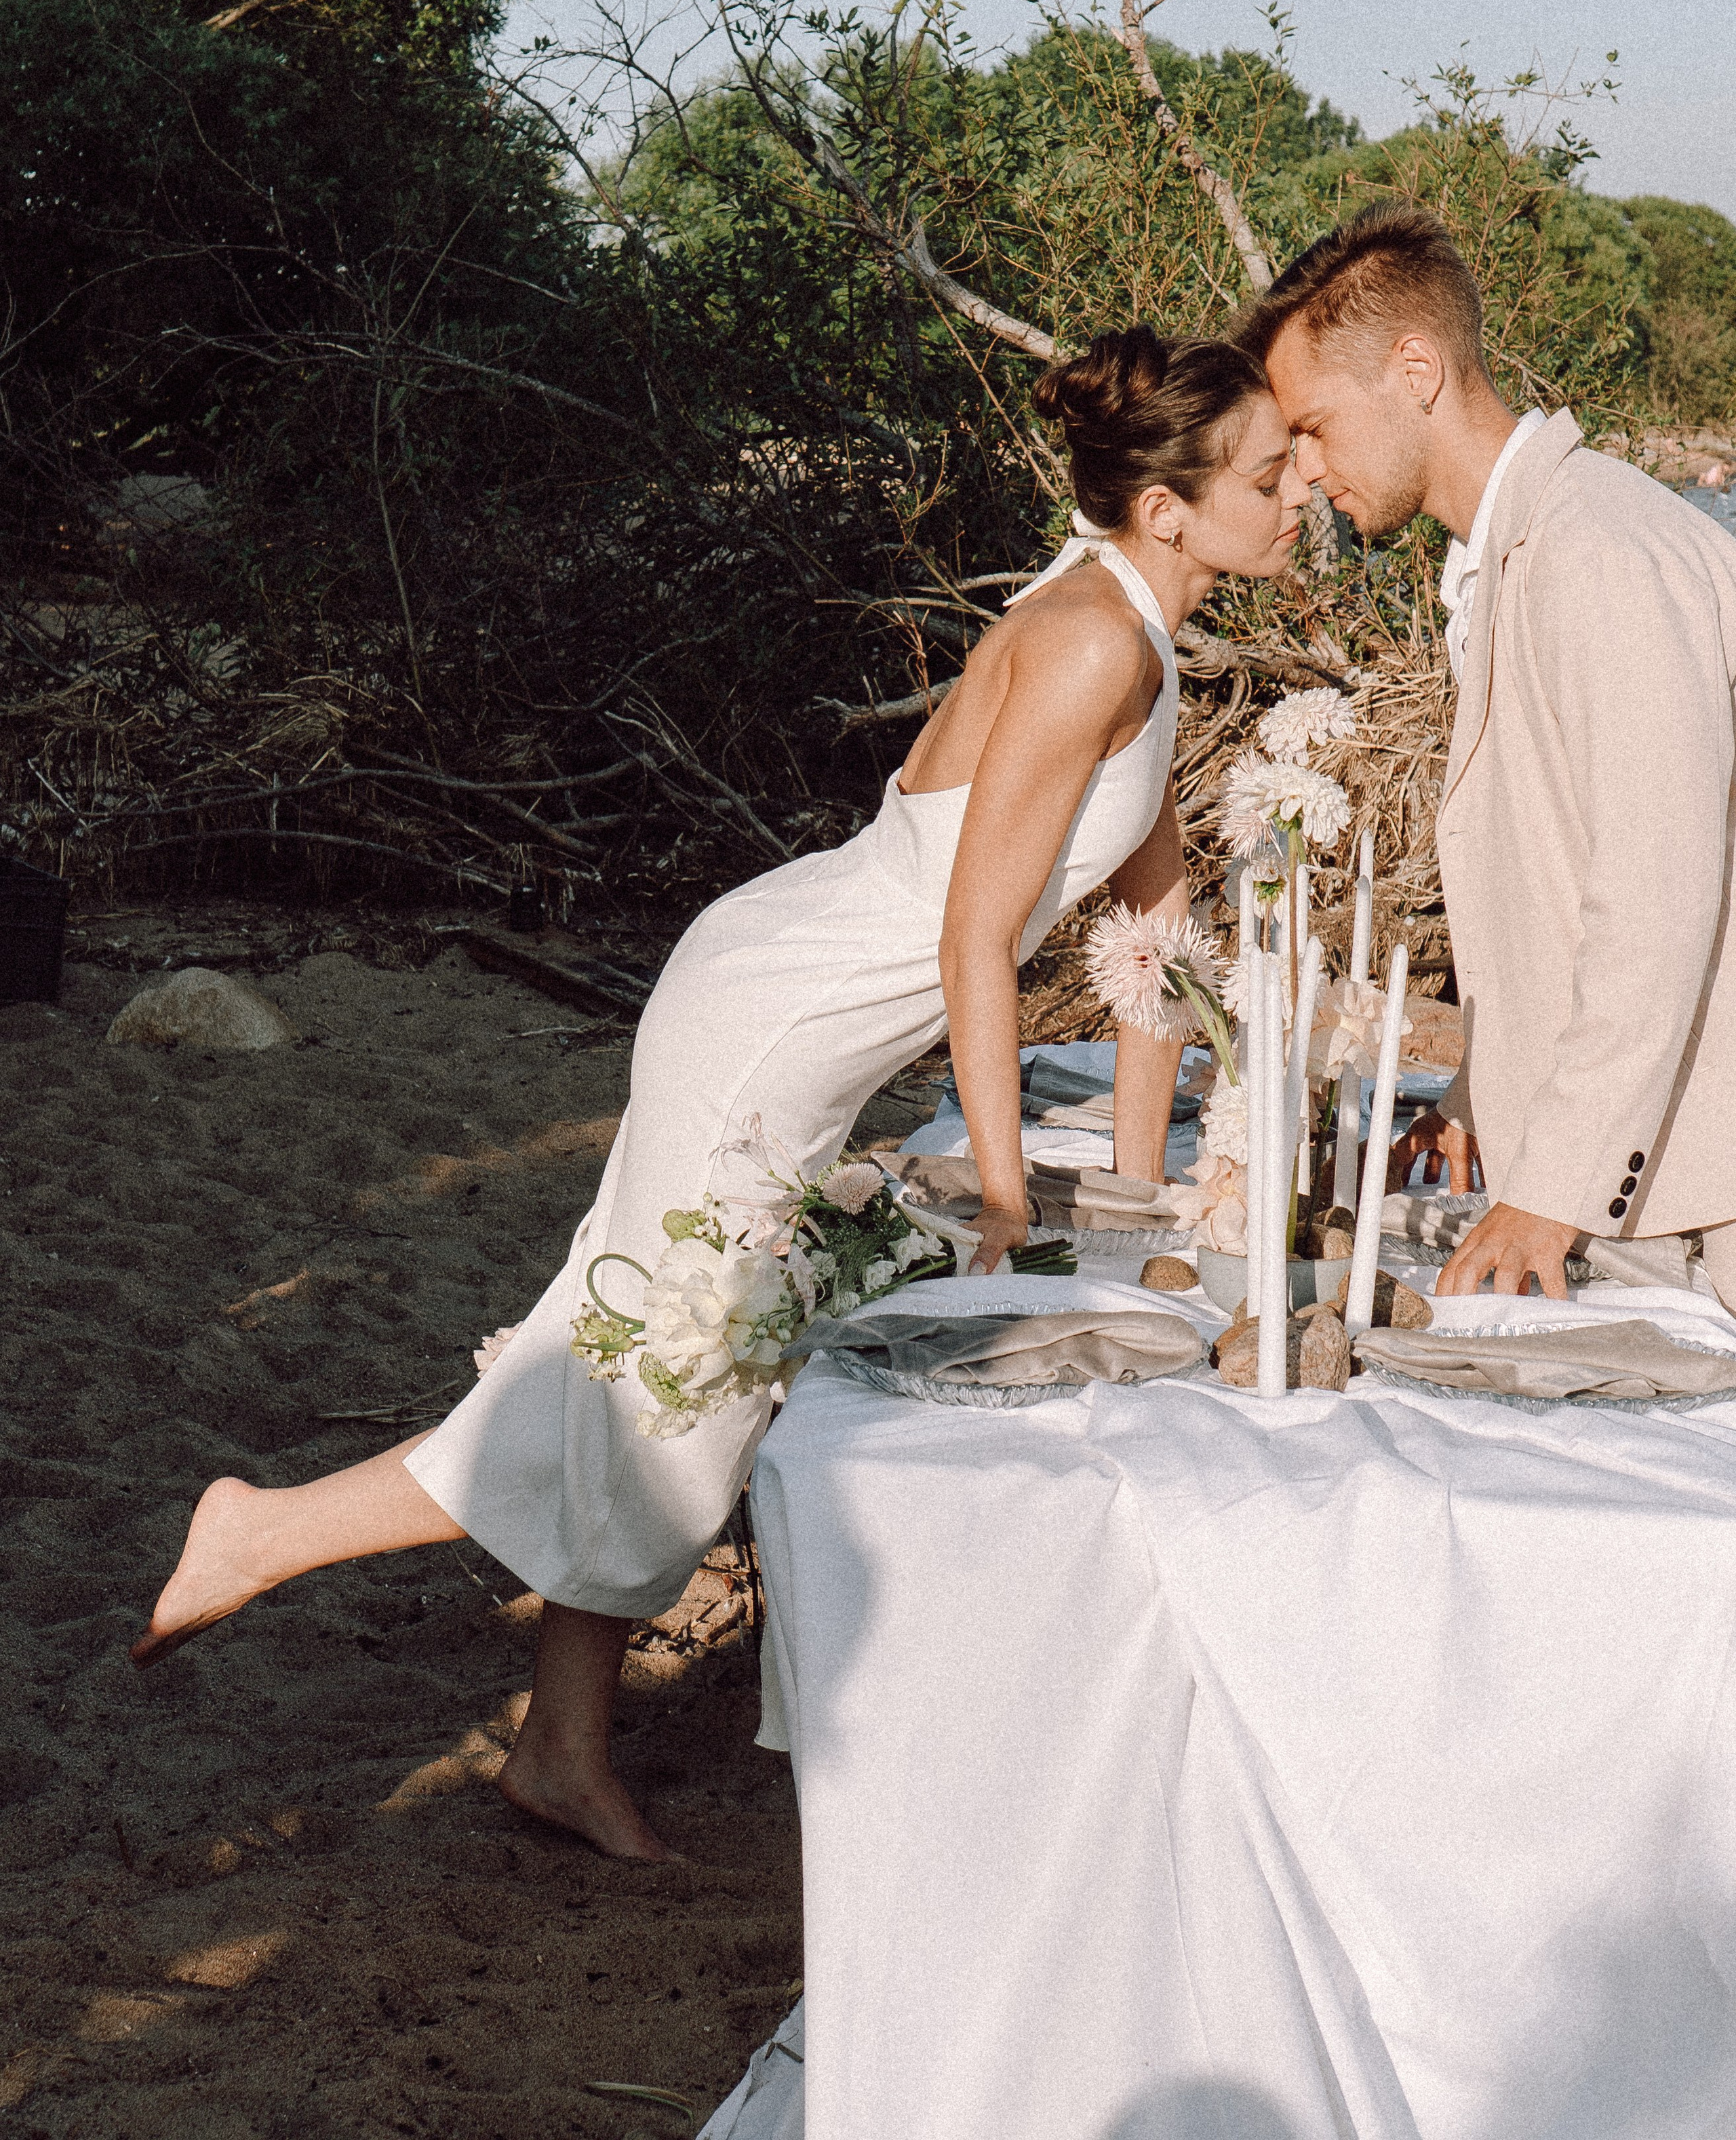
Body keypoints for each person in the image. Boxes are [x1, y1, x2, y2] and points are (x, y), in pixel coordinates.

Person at [134, 328, 1309, 1857]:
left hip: (803, 1017)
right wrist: (1008, 1190)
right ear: (1167, 508)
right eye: (1271, 476)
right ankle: (267, 1530)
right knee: (673, 1381)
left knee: (654, 1369)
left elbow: (1146, 934)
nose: (1303, 500)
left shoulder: (1147, 642)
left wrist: (1146, 1180)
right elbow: (973, 933)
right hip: (770, 1019)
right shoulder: (1093, 639)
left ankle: (559, 1747)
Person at [1238, 199, 1736, 1305]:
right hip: (1653, 1204)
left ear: (1415, 368)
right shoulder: (1518, 553)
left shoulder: (1597, 552)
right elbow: (1555, 878)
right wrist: (1482, 1093)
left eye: (1313, 423)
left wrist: (1547, 1187)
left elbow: (1656, 901)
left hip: (1704, 1217)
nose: (1307, 470)